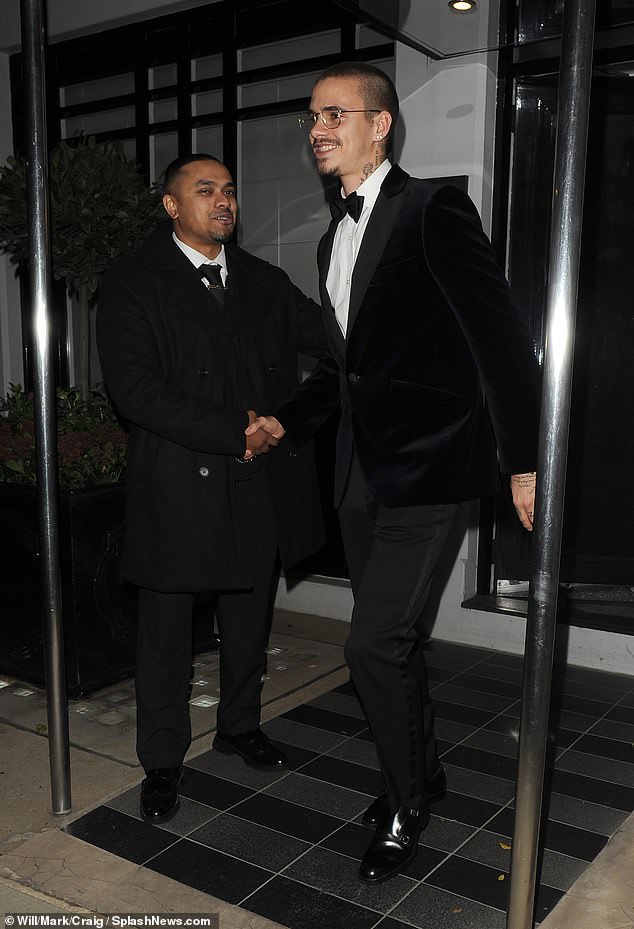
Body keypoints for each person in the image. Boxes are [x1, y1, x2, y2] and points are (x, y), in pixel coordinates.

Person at [248, 62, 541, 884]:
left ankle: (406, 801)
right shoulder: (330, 236)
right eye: (312, 115)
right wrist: (285, 423)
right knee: (399, 642)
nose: (317, 128)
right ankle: (423, 770)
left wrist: (524, 459)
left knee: (371, 642)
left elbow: (500, 339)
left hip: (427, 470)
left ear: (381, 125)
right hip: (357, 476)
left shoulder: (433, 207)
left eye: (335, 114)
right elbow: (342, 371)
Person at [96, 153, 328, 824]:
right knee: (167, 633)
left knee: (249, 615)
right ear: (172, 206)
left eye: (228, 190)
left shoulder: (263, 280)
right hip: (178, 482)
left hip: (257, 482)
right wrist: (237, 431)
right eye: (205, 190)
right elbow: (138, 393)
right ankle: (163, 761)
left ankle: (239, 724)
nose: (223, 200)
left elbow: (331, 337)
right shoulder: (134, 281)